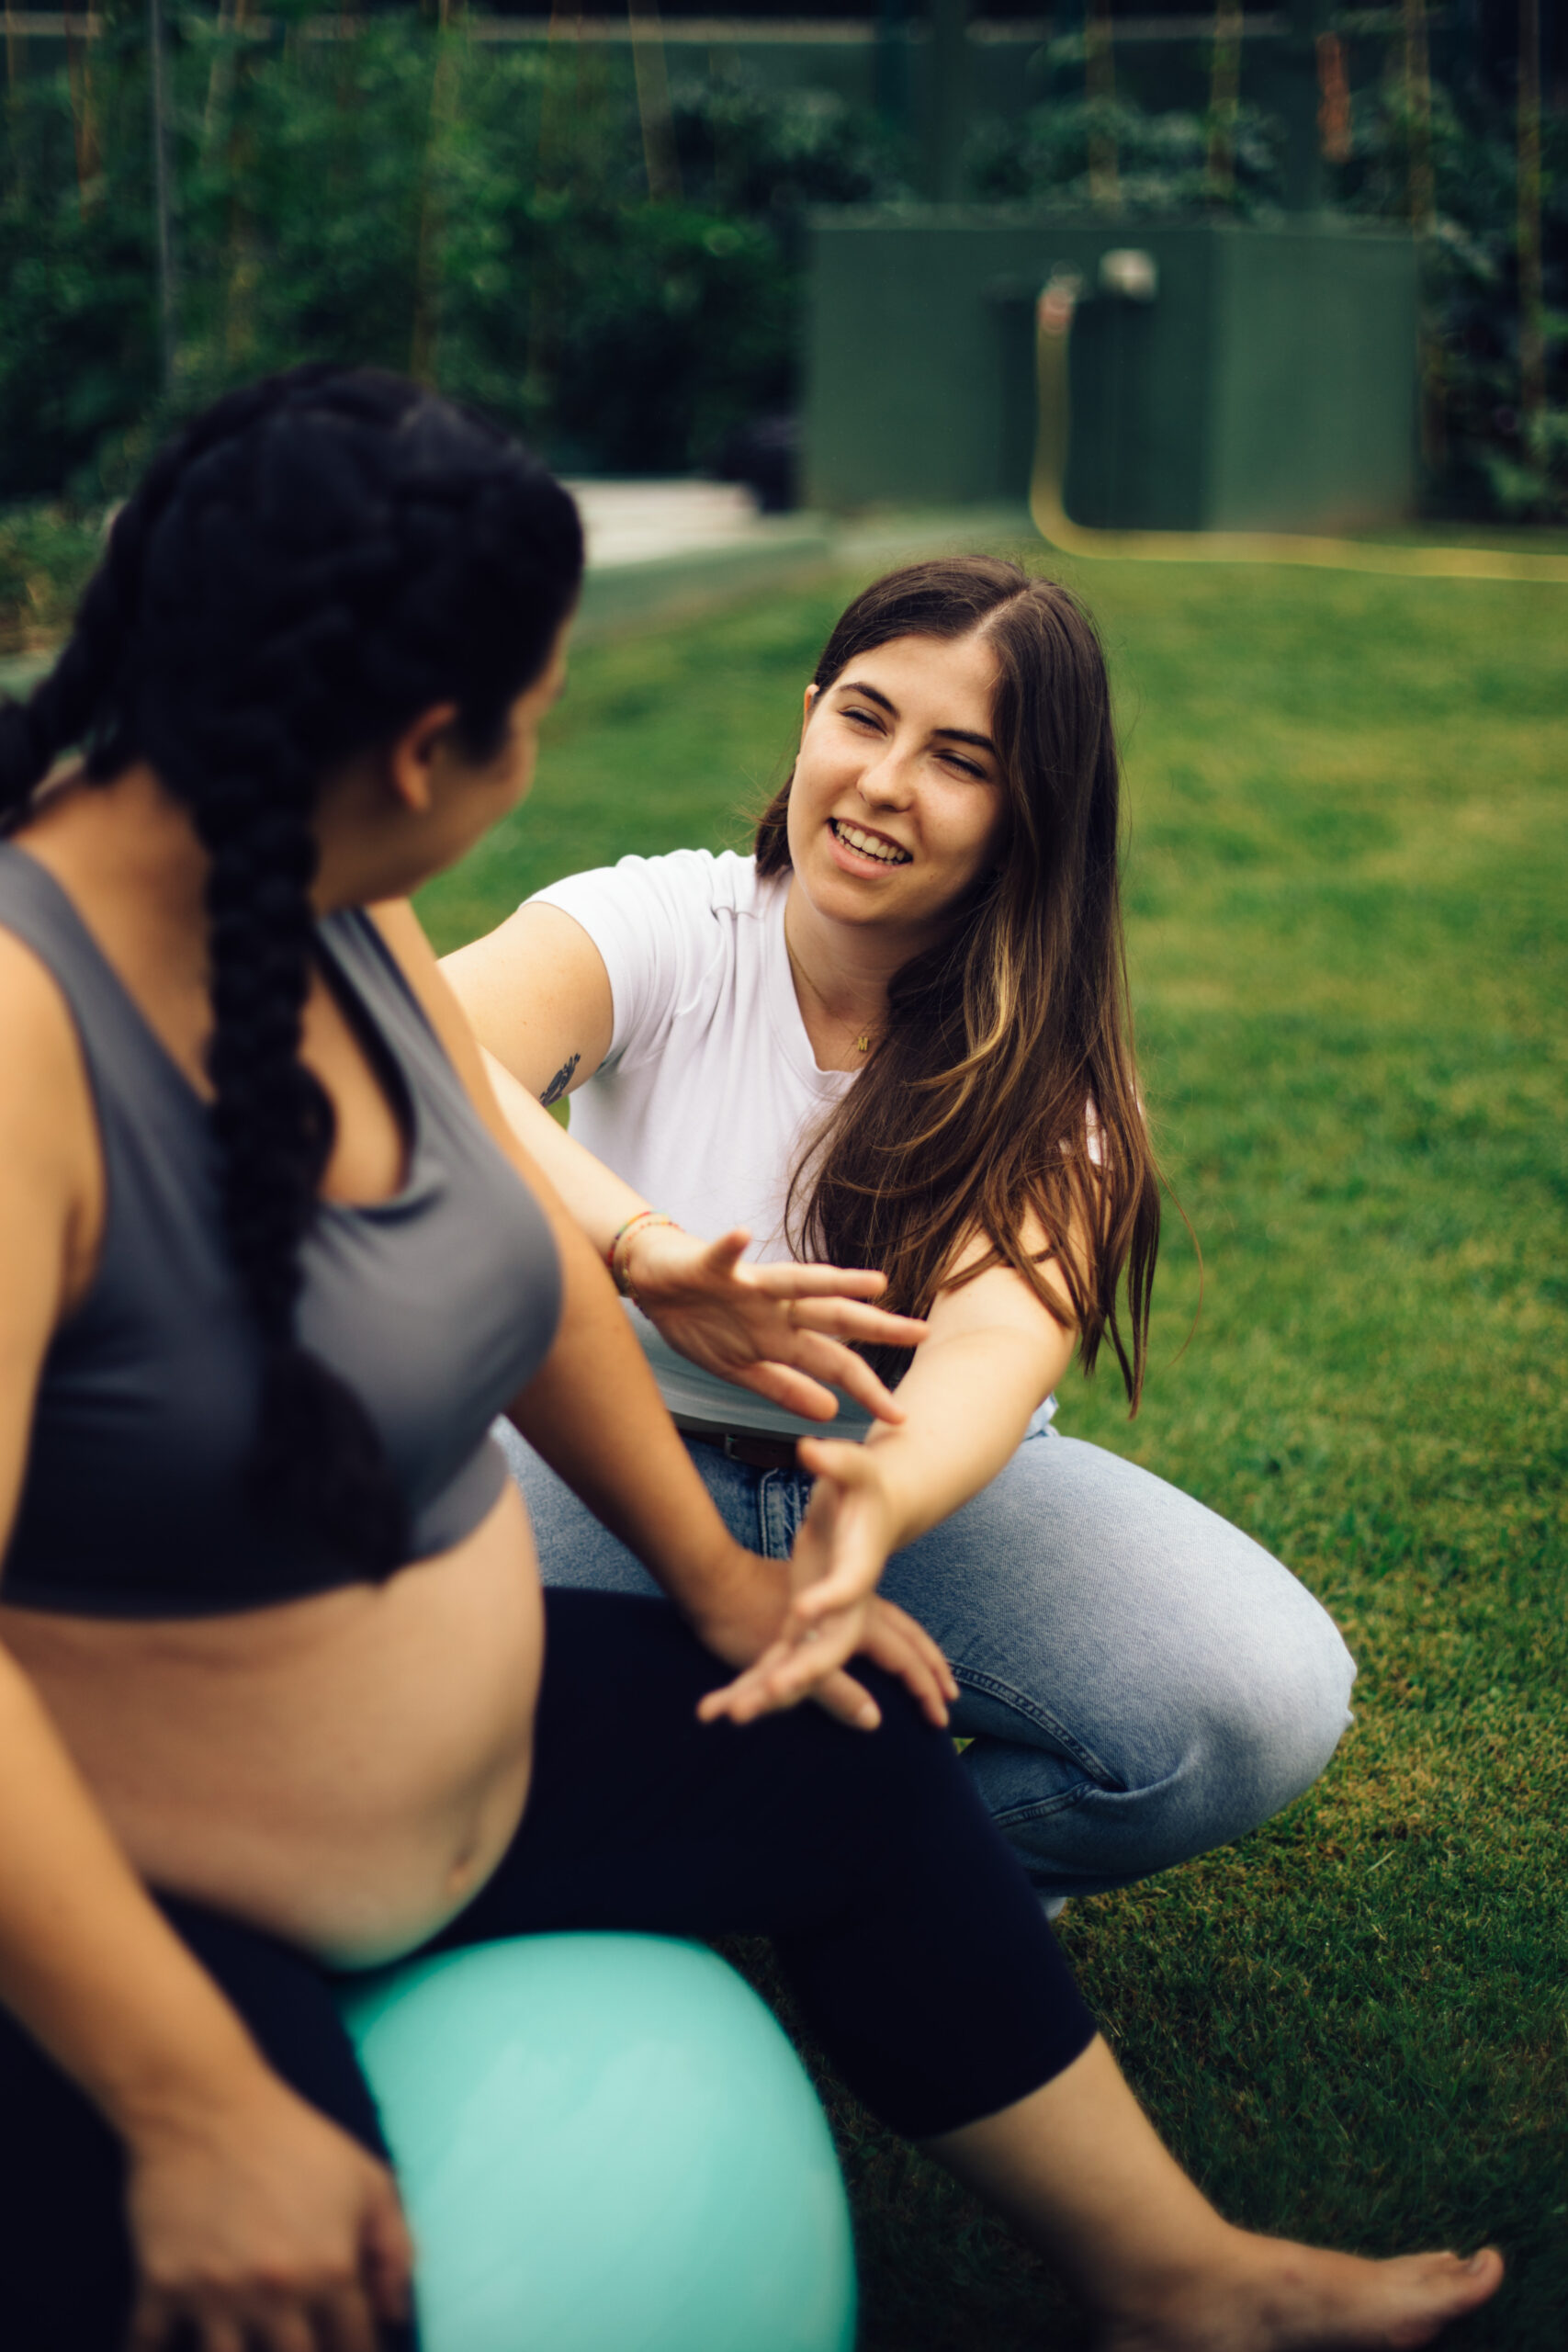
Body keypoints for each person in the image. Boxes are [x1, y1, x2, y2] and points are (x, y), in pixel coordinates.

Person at [0, 368, 1499, 2352]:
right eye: (534, 721)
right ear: (425, 742)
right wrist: (189, 2099)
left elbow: (520, 1273)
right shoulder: (34, 1031)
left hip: (489, 1760)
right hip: (158, 1893)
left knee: (859, 1749)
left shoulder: (320, 898)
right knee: (323, 2254)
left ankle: (1172, 2276)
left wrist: (729, 1581)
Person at [446, 554, 1359, 1915]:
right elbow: (411, 1050)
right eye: (864, 719)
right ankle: (746, 1848)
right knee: (320, 1646)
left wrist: (883, 1497)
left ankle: (836, 1869)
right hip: (608, 1459)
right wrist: (634, 1246)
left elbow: (999, 1339)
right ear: (809, 714)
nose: (883, 783)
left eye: (960, 759)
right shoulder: (666, 925)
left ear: (1027, 817)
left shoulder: (1056, 1083)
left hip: (917, 1505)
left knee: (1255, 1697)